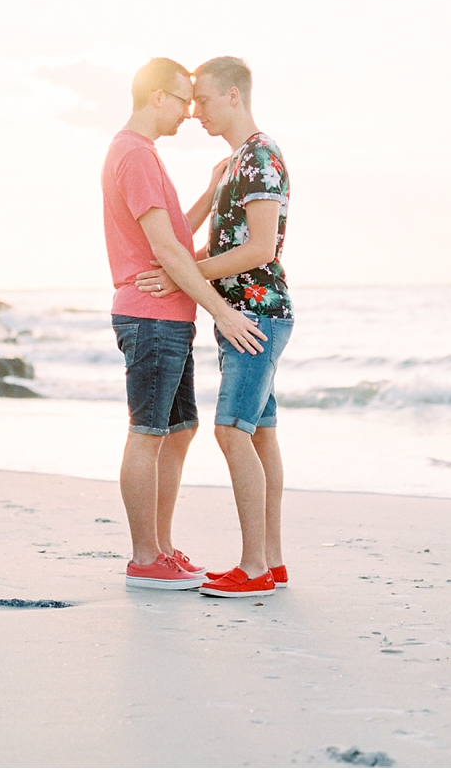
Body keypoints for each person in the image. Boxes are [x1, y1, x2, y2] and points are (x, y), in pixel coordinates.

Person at [102, 57, 269, 590]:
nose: (190, 111)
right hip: (150, 318)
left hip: (167, 317)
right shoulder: (134, 153)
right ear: (158, 98)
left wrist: (210, 188)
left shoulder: (142, 154)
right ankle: (144, 556)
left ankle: (162, 547)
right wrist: (223, 310)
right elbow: (167, 252)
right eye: (183, 99)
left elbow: (174, 233)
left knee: (178, 431)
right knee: (149, 433)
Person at [136, 56, 293, 599]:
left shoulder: (260, 157)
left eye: (202, 99)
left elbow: (258, 248)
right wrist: (182, 272)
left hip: (256, 316)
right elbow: (227, 247)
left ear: (233, 96)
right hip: (243, 316)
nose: (195, 110)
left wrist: (186, 274)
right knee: (261, 434)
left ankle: (252, 569)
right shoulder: (234, 164)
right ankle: (271, 561)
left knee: (232, 432)